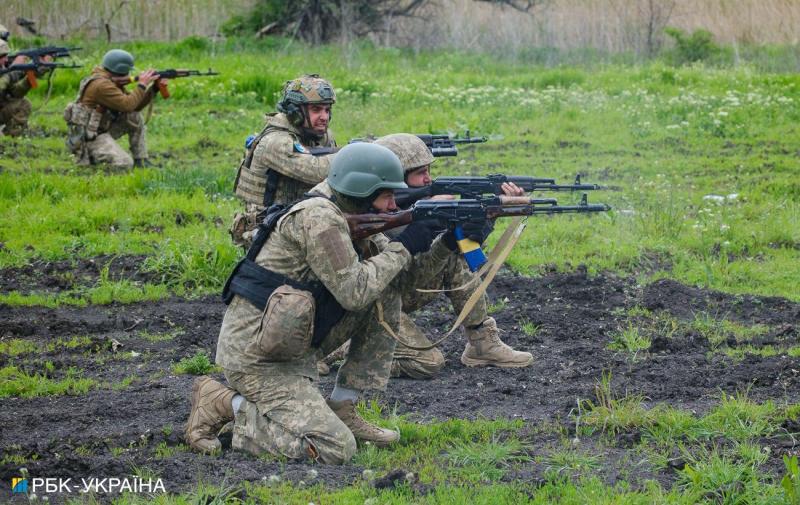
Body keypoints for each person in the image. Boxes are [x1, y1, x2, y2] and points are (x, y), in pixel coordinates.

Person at [185, 142, 451, 464]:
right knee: (334, 448)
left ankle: (344, 407)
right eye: (388, 196)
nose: (394, 205)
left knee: (386, 287)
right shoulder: (319, 218)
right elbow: (355, 290)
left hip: (293, 344)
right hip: (257, 358)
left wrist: (447, 244)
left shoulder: (350, 210)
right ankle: (226, 404)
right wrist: (403, 246)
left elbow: (402, 282)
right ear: (363, 192)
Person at [324, 133, 534, 379]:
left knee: (453, 255)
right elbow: (391, 276)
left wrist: (471, 227)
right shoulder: (362, 218)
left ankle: (481, 342)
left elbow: (415, 273)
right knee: (428, 363)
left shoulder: (406, 209)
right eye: (420, 173)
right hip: (364, 303)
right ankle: (342, 346)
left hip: (394, 290)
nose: (428, 179)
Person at [230, 74, 337, 248]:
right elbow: (319, 171)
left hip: (295, 216)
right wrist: (357, 155)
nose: (324, 117)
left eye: (327, 109)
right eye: (316, 109)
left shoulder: (319, 135)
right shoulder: (276, 142)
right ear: (295, 112)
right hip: (266, 229)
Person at [63, 49, 164, 168]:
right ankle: (93, 158)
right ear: (121, 70)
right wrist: (142, 84)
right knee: (124, 163)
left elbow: (134, 106)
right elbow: (127, 105)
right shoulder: (102, 85)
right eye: (126, 72)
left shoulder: (109, 81)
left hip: (101, 129)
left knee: (134, 116)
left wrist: (154, 88)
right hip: (89, 138)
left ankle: (141, 160)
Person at [0, 38, 51, 137]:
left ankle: (11, 137)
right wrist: (14, 70)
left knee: (23, 104)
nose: (6, 59)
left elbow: (15, 93)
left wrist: (32, 74)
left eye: (6, 56)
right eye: (2, 56)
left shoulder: (3, 68)